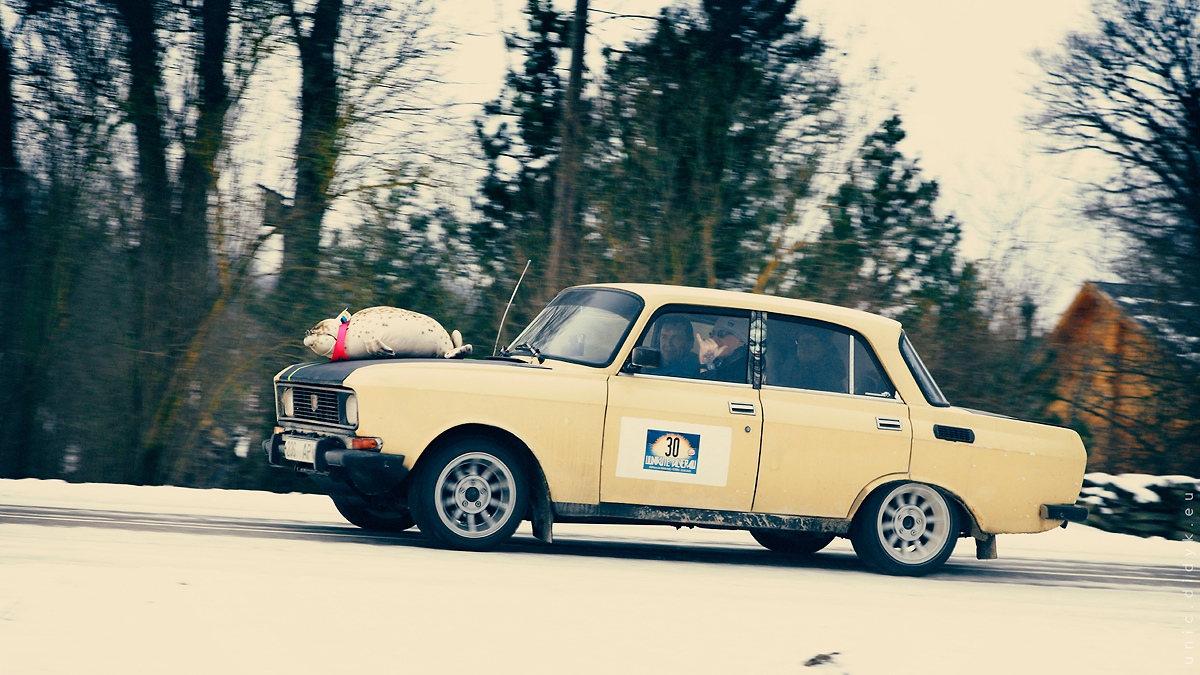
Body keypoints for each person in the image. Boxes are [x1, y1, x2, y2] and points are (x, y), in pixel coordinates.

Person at [784, 325, 847, 393]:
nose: (804, 346)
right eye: (801, 342)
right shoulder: (788, 370)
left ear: (823, 347)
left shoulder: (830, 376)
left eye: (810, 342)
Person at [702, 316, 749, 383]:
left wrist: (705, 364)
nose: (714, 339)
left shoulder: (744, 368)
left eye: (722, 333)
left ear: (742, 341)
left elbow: (711, 388)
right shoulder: (721, 362)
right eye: (712, 334)